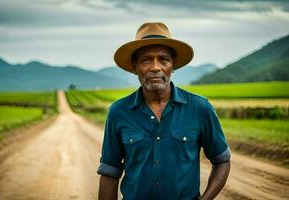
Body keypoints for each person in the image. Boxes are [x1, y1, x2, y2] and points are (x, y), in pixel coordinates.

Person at [97, 22, 231, 200]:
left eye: (163, 59)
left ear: (173, 66)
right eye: (146, 60)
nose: (155, 67)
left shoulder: (200, 108)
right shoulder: (119, 112)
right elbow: (109, 172)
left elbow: (222, 160)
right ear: (135, 66)